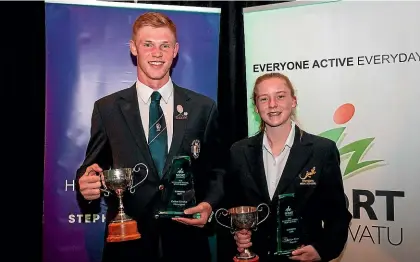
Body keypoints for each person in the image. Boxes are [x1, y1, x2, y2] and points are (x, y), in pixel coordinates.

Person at [75, 12, 225, 262]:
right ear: (134, 48)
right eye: (148, 44)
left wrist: (209, 204)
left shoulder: (203, 108)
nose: (157, 53)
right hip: (128, 244)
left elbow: (218, 170)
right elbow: (91, 167)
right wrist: (85, 182)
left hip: (187, 244)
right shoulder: (107, 108)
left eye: (165, 45)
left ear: (175, 50)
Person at [221, 72, 352, 262]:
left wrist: (321, 250)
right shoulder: (239, 152)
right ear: (256, 107)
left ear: (294, 101)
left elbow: (338, 215)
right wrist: (237, 234)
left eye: (280, 96)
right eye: (264, 99)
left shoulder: (322, 151)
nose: (272, 104)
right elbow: (231, 209)